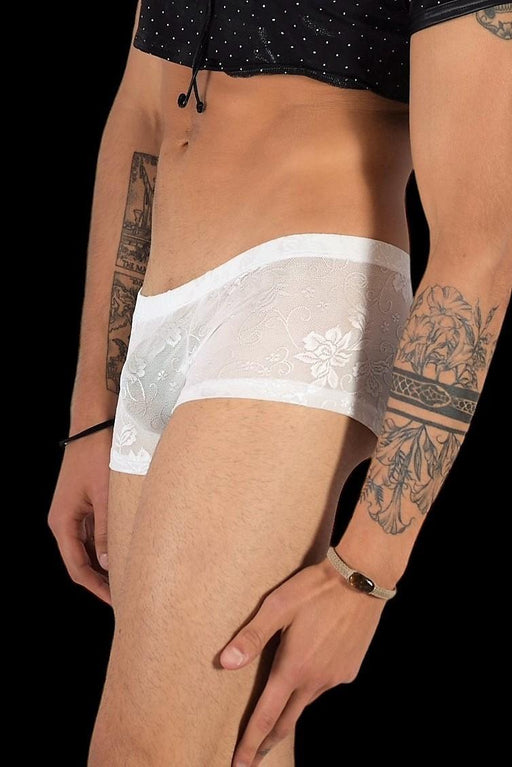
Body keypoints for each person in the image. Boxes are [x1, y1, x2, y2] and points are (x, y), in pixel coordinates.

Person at [48, 1, 511, 765]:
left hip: (300, 289)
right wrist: (94, 412)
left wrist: (367, 574)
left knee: (147, 748)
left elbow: (479, 250)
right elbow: (142, 108)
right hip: (164, 303)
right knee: (237, 746)